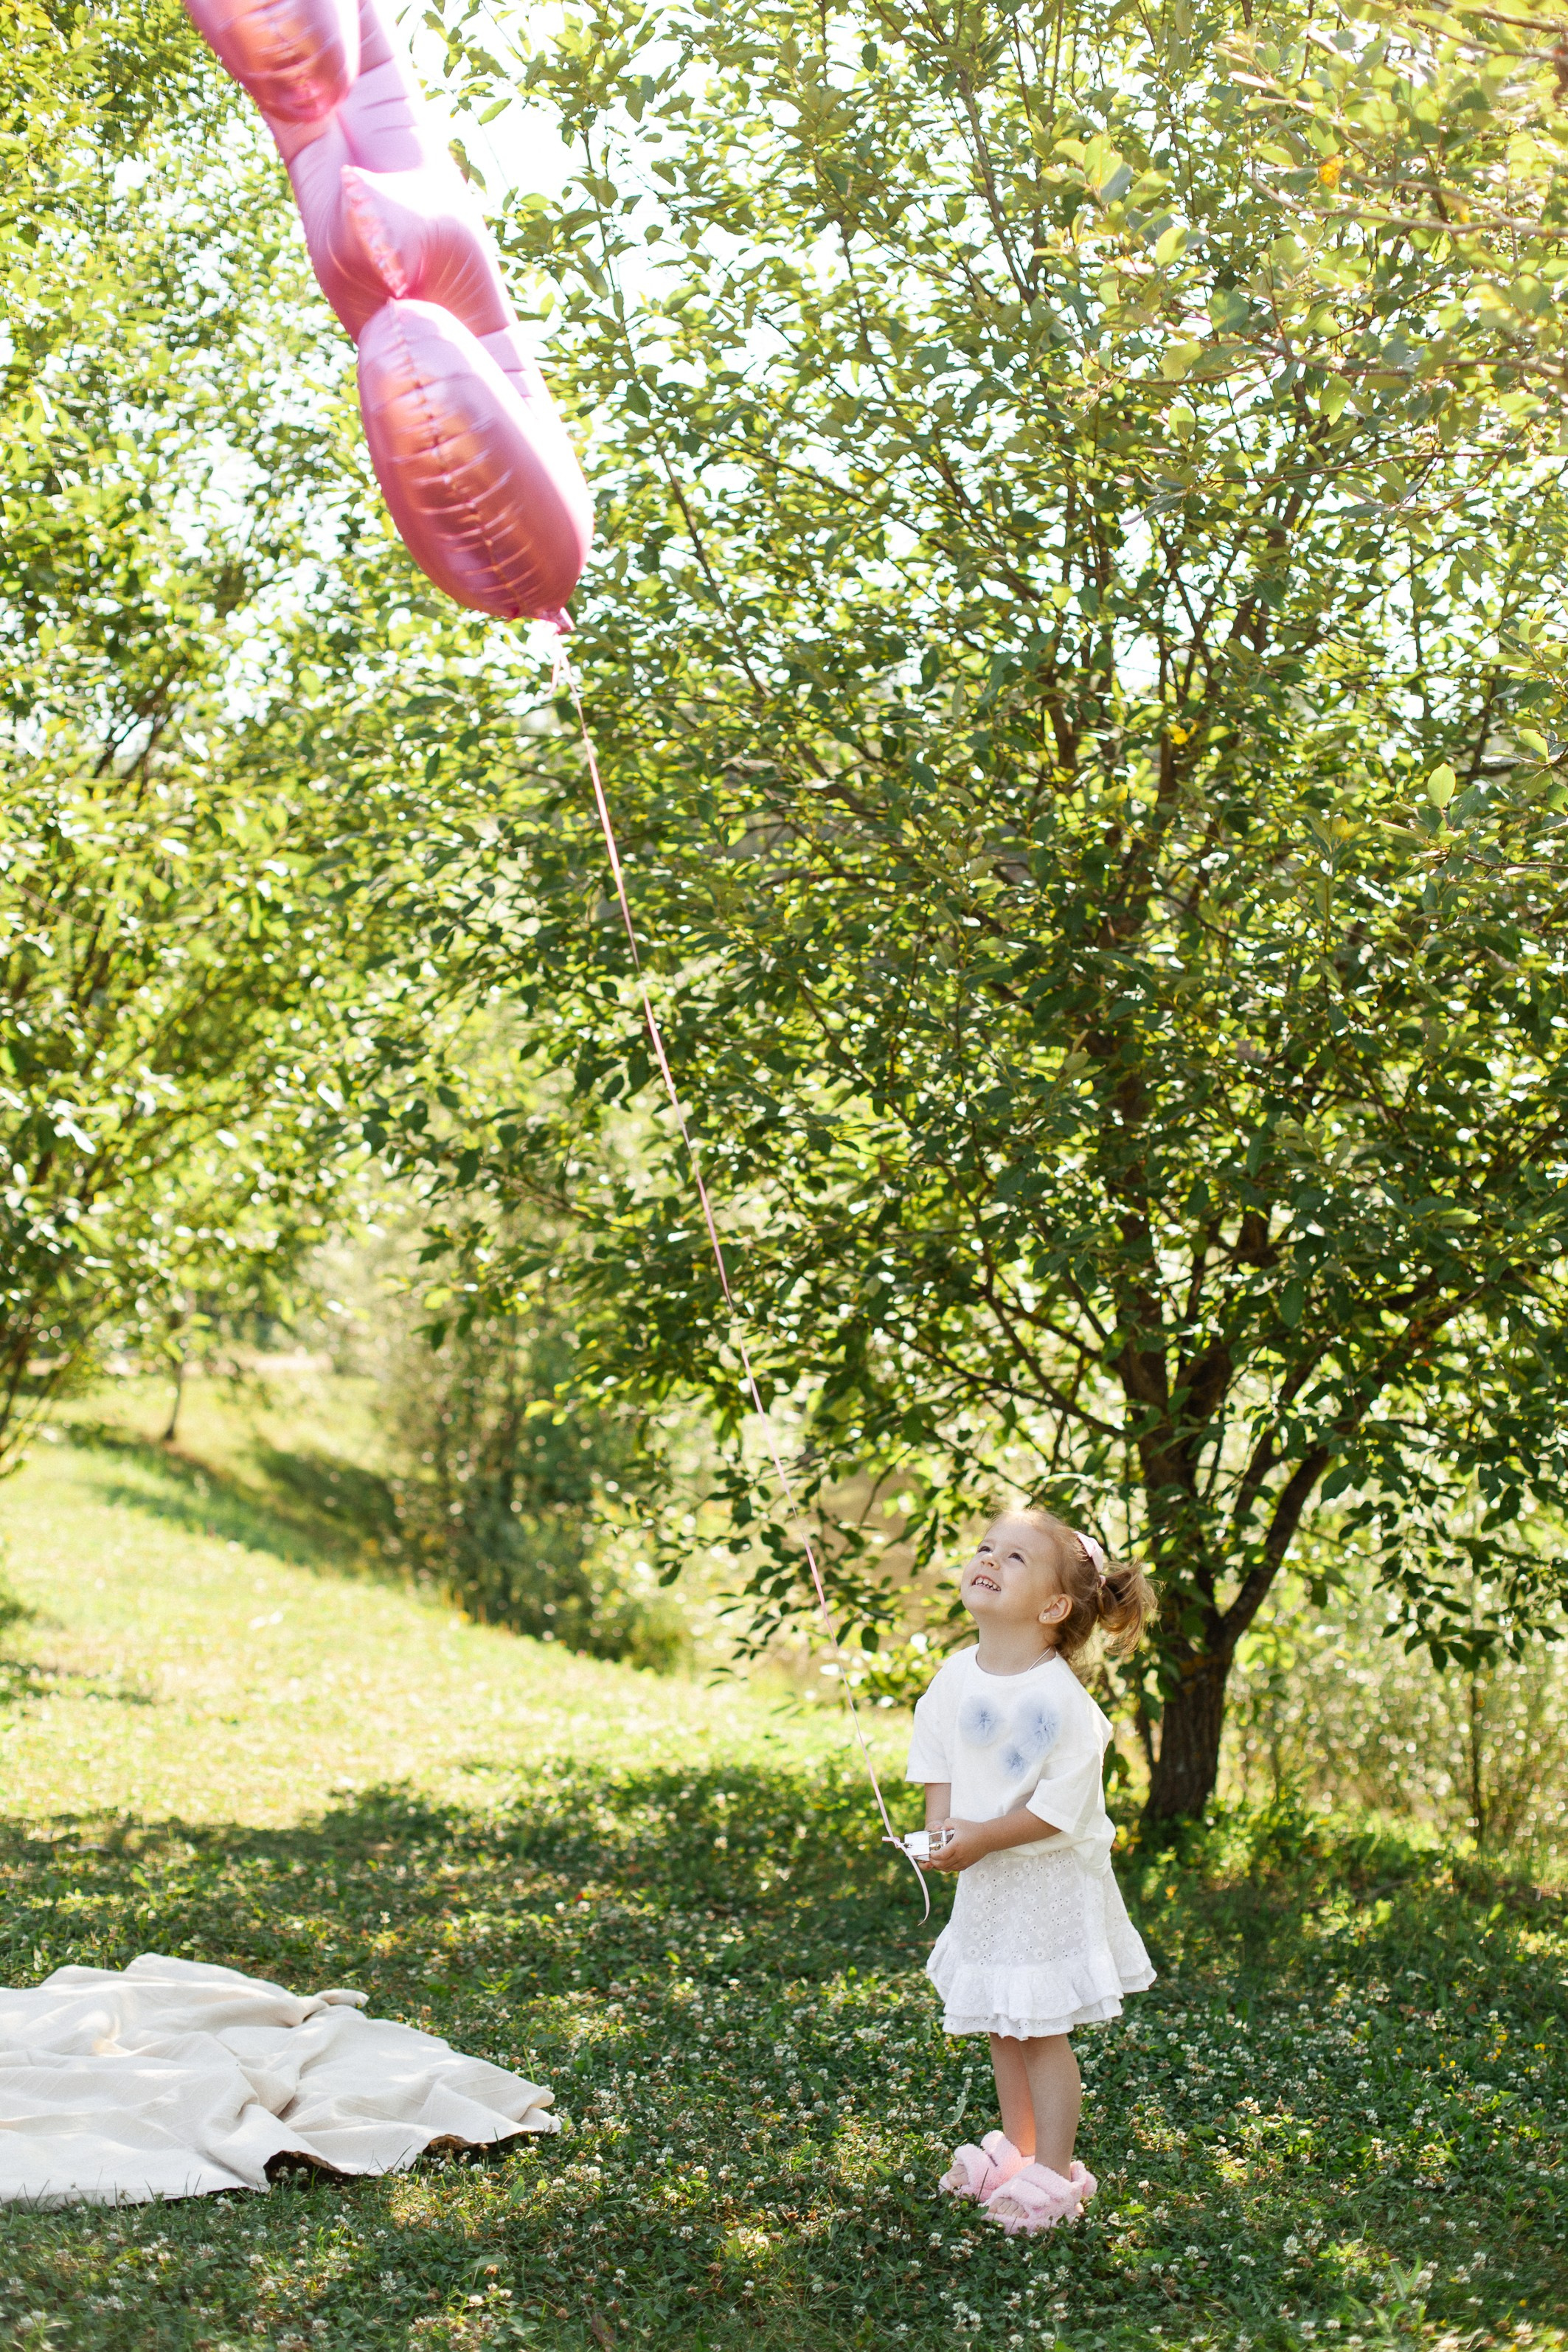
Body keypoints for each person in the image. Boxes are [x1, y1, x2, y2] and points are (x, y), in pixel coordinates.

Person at [906, 1507, 1156, 2234]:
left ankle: (1054, 2169)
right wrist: (941, 1831)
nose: (987, 1558)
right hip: (989, 1874)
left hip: (1044, 1880)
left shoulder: (1062, 1704)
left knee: (1038, 2026)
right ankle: (1015, 2152)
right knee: (1000, 2018)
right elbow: (936, 1754)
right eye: (986, 1547)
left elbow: (1058, 1811)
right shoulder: (956, 1676)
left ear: (1052, 1608)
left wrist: (981, 1836)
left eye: (1014, 1557)